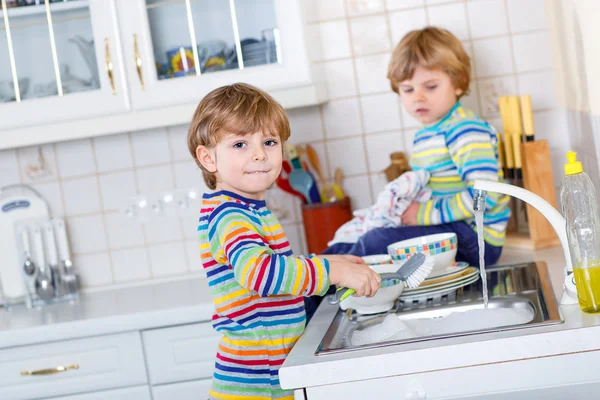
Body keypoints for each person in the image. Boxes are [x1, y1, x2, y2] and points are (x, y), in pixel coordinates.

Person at [187, 82, 380, 400]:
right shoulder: (229, 214)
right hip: (256, 385)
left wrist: (331, 262)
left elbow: (276, 267)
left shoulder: (248, 209)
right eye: (240, 145)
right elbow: (260, 274)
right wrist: (332, 273)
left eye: (269, 141)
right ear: (209, 159)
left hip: (267, 376)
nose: (260, 154)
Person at [323, 27, 510, 269]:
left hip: (477, 240)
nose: (418, 97)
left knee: (376, 242)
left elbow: (485, 196)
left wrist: (421, 214)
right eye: (408, 89)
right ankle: (317, 272)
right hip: (452, 229)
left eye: (430, 87)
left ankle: (326, 283)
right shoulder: (426, 133)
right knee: (351, 242)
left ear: (459, 83)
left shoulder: (465, 130)